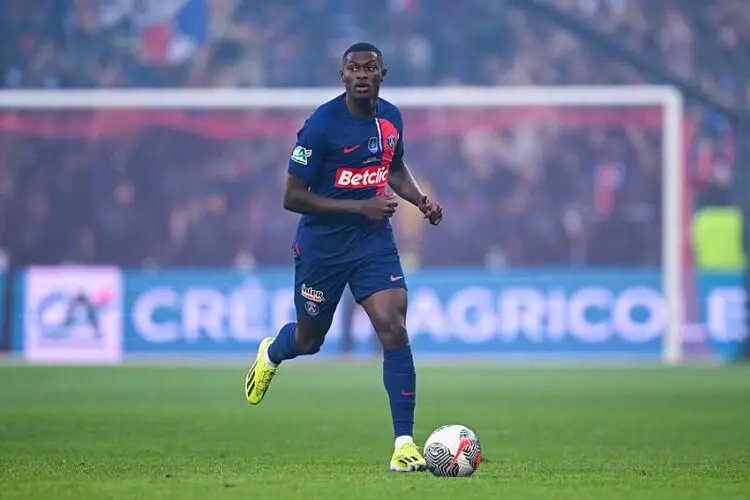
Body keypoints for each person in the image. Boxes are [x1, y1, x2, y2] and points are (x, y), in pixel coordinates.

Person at [244, 42, 443, 472]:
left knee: (393, 326)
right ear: (343, 76)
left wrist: (420, 201)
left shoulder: (391, 117)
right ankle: (273, 352)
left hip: (373, 241)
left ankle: (404, 444)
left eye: (369, 68)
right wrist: (359, 206)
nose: (361, 75)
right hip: (323, 248)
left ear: (381, 74)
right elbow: (292, 197)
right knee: (309, 340)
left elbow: (392, 167)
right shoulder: (321, 126)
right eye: (353, 68)